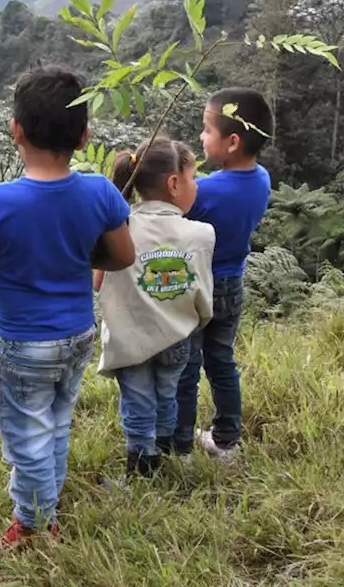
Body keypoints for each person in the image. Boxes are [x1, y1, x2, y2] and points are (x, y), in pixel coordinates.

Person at [0, 64, 135, 550]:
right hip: (77, 333)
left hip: (22, 344)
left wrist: (12, 266)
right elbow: (123, 255)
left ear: (15, 130)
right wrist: (78, 257)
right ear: (84, 137)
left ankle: (35, 525)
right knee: (56, 420)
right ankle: (46, 499)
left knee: (27, 435)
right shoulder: (100, 191)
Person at [94, 137, 214, 480]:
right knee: (167, 395)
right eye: (193, 177)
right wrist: (196, 322)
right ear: (174, 184)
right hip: (176, 337)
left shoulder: (119, 228)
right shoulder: (202, 233)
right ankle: (161, 457)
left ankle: (142, 467)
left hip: (129, 339)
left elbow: (98, 283)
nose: (197, 185)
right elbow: (203, 291)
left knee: (138, 402)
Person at [173, 87, 274, 462]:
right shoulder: (262, 178)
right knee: (222, 362)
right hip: (232, 284)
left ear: (232, 142)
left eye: (205, 130)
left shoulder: (205, 191)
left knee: (186, 367)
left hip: (198, 286)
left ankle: (180, 445)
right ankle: (227, 440)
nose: (200, 137)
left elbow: (171, 219)